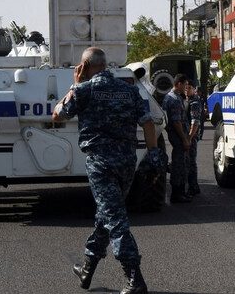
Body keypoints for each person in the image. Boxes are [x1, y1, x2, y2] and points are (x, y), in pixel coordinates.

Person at [52, 47, 165, 294]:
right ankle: (87, 269)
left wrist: (74, 85)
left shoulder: (84, 90)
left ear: (83, 66)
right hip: (126, 162)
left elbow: (57, 116)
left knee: (115, 220)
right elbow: (147, 122)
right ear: (106, 65)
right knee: (107, 215)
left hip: (100, 164)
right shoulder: (128, 90)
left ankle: (134, 278)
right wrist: (154, 155)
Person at [162, 73, 191, 203]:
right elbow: (176, 122)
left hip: (179, 135)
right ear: (178, 84)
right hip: (178, 136)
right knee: (178, 165)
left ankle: (180, 192)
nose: (186, 87)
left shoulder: (174, 97)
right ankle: (176, 194)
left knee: (181, 164)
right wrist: (184, 139)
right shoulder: (173, 99)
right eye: (184, 84)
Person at [185, 81, 202, 196]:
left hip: (191, 136)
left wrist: (190, 137)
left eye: (189, 88)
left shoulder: (194, 102)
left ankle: (193, 186)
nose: (187, 90)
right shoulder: (186, 100)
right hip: (186, 136)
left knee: (191, 162)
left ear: (194, 89)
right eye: (185, 88)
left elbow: (195, 121)